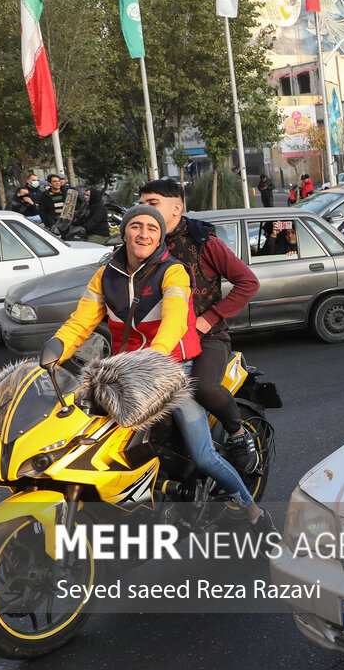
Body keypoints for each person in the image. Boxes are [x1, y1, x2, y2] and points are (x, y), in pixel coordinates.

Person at [49, 204, 271, 530]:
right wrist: (55, 347)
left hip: (171, 368)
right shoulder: (106, 275)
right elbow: (80, 323)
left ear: (159, 237)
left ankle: (252, 511)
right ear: (124, 232)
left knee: (204, 455)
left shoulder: (173, 270)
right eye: (136, 226)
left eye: (152, 228)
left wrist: (156, 356)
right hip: (125, 370)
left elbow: (175, 316)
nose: (144, 233)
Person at [138, 178, 262, 469]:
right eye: (141, 205)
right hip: (159, 341)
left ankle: (239, 433)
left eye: (152, 204)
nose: (144, 211)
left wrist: (211, 318)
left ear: (176, 208)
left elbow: (248, 282)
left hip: (207, 337)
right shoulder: (141, 245)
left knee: (203, 387)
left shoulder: (205, 244)